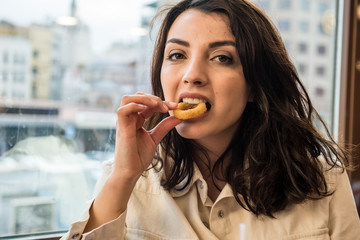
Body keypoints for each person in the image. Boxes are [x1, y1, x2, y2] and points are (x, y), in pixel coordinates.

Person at [61, 0, 360, 239]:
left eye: (222, 58)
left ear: (255, 85)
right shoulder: (127, 176)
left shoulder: (324, 182)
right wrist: (124, 178)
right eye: (177, 55)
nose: (192, 75)